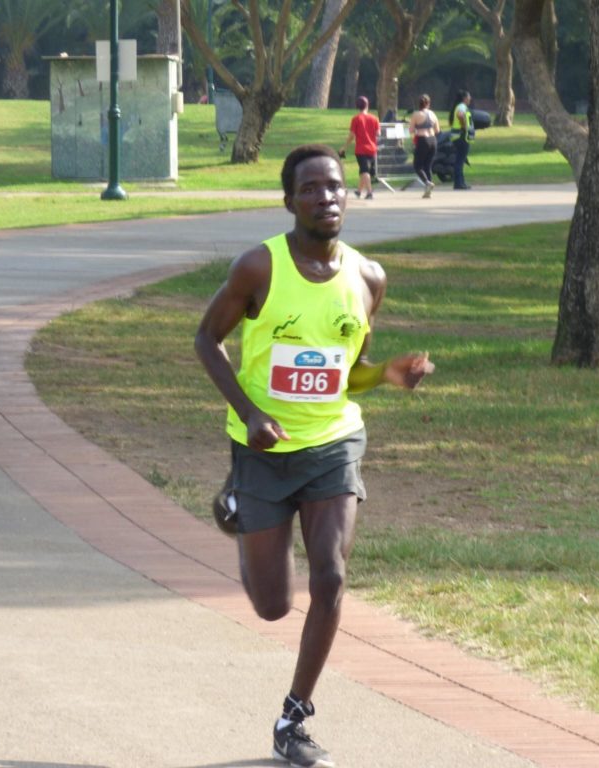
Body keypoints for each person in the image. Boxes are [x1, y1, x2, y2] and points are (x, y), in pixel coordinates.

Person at [195, 144, 434, 768]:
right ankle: (239, 505)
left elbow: (344, 376)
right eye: (311, 189)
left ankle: (293, 719)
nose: (326, 197)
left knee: (329, 574)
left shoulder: (368, 279)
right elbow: (206, 338)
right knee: (273, 605)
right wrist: (250, 415)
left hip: (333, 443)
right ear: (289, 200)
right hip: (263, 447)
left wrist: (386, 375)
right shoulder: (259, 269)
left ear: (347, 196)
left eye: (335, 187)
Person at [338, 96, 380, 200]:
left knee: (365, 171)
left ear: (357, 106)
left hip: (361, 149)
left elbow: (352, 135)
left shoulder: (356, 119)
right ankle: (359, 191)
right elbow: (378, 133)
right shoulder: (374, 118)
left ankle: (369, 192)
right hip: (372, 148)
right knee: (363, 170)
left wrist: (344, 147)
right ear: (367, 105)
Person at [408, 94, 440, 198]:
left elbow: (411, 130)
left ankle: (427, 183)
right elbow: (437, 130)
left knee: (417, 165)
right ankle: (428, 190)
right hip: (433, 140)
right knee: (427, 166)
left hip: (423, 140)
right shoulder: (432, 114)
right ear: (428, 104)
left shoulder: (416, 114)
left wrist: (417, 128)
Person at [449, 90, 474, 190]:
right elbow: (460, 115)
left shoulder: (459, 106)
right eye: (469, 97)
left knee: (459, 160)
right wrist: (464, 127)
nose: (470, 99)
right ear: (464, 98)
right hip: (461, 136)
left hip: (457, 137)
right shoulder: (462, 106)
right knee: (460, 160)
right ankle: (459, 183)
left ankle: (460, 182)